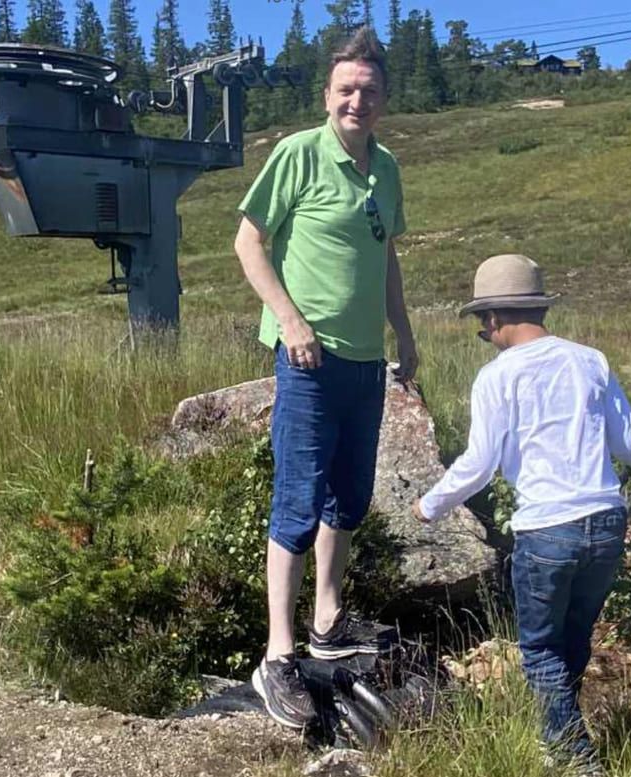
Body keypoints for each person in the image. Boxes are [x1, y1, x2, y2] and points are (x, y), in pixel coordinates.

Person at [233, 27, 417, 730]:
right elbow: (248, 240)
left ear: (383, 98)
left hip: (365, 359)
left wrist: (404, 332)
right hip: (308, 358)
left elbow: (385, 254)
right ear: (327, 95)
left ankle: (327, 621)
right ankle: (278, 655)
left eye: (368, 91)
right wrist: (290, 321)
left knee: (349, 495)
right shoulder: (298, 154)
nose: (356, 101)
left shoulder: (386, 167)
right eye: (346, 89)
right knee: (298, 499)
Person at [413, 254, 631, 774]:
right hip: (606, 520)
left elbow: (479, 464)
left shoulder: (496, 377)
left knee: (540, 650)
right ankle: (556, 737)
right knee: (574, 638)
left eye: (482, 326)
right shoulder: (590, 360)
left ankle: (575, 759)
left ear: (494, 317)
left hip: (546, 528)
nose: (484, 334)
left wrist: (429, 506)